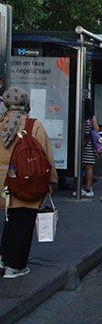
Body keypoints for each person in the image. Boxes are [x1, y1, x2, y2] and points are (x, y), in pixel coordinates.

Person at [0, 87, 58, 278]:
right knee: (23, 223)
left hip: (3, 184)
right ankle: (15, 266)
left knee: (9, 221)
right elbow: (46, 157)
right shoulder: (34, 126)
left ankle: (3, 258)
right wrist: (51, 182)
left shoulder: (1, 123)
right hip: (26, 182)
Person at [79, 99, 100, 197]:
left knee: (83, 166)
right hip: (90, 144)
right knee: (89, 167)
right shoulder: (91, 117)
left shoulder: (80, 115)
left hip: (82, 144)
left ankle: (83, 188)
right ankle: (88, 188)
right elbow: (96, 129)